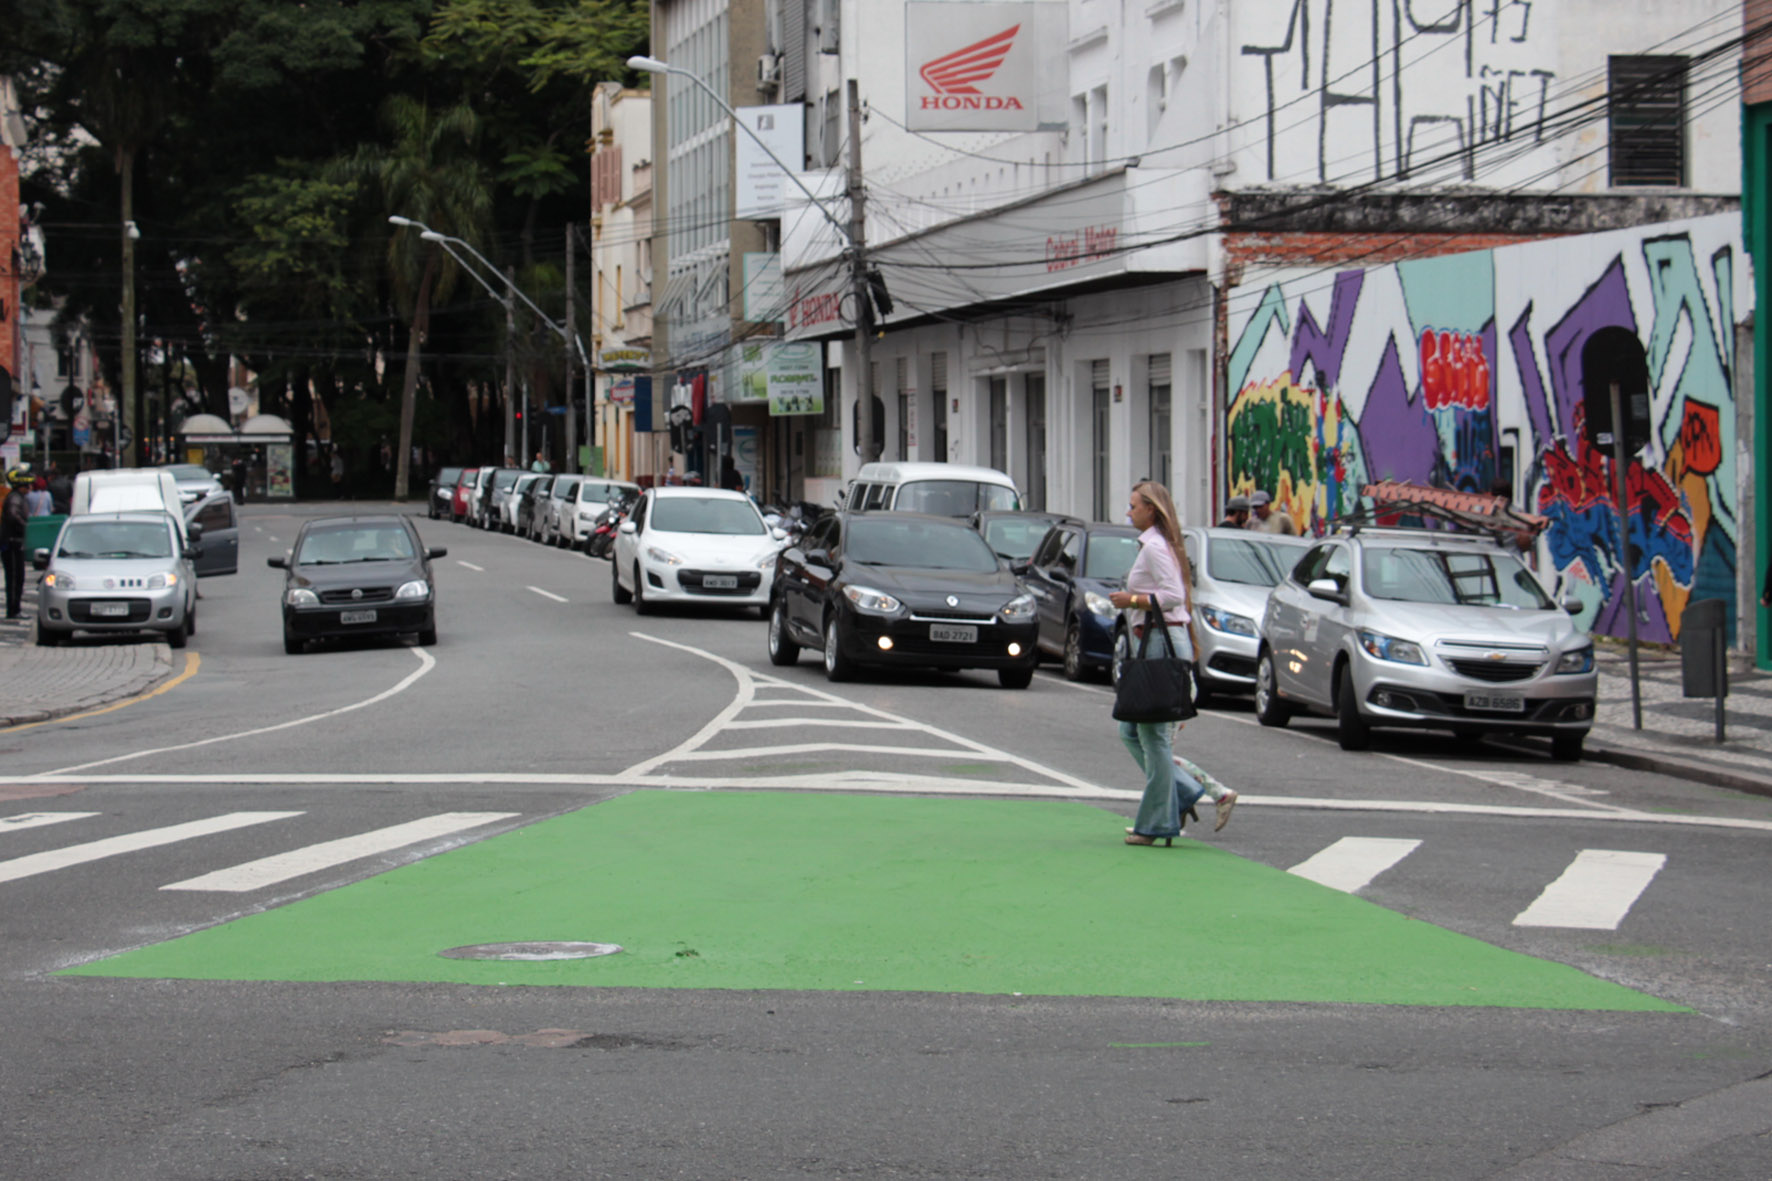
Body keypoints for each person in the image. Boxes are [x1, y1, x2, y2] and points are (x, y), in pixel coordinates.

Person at [1107, 481, 1209, 846]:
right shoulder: (1156, 544)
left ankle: (1156, 823)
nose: (1128, 512)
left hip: (1160, 643)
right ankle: (1180, 792)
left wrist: (1132, 600)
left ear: (1151, 509)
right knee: (1133, 731)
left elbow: (1173, 596)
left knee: (1152, 737)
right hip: (1155, 640)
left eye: (1133, 506)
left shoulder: (1154, 546)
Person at [1, 468, 31, 619]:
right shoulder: (15, 498)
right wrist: (26, 526)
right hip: (12, 543)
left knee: (17, 577)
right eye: (28, 485)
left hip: (13, 542)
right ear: (22, 486)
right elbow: (13, 515)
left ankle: (15, 608)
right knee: (14, 577)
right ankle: (13, 610)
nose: (30, 488)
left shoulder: (16, 497)